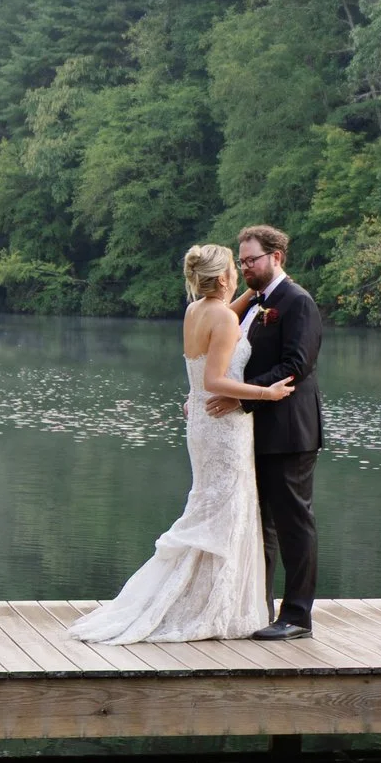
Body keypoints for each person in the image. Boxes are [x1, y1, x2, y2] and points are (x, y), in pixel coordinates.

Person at [70, 243, 297, 643]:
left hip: (202, 425)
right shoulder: (224, 322)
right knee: (225, 511)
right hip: (224, 426)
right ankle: (210, 606)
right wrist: (267, 394)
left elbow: (219, 331)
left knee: (211, 507)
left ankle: (204, 597)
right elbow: (214, 381)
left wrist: (259, 294)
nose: (239, 274)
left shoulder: (196, 312)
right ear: (224, 277)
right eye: (234, 269)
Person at [208, 222, 322, 640]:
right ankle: (260, 607)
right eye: (242, 261)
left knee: (295, 524)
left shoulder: (297, 303)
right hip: (257, 429)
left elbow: (296, 366)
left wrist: (241, 398)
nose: (246, 266)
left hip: (291, 432)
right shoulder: (257, 302)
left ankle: (297, 617)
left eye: (252, 259)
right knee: (262, 526)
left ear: (276, 257)